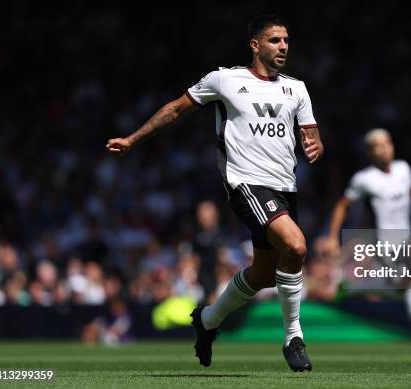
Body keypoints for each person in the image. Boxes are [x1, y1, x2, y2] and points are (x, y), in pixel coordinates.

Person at [106, 14, 323, 371]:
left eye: (286, 40)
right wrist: (132, 139)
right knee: (297, 246)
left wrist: (316, 147)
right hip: (246, 184)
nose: (283, 46)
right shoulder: (225, 79)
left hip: (286, 187)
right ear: (255, 45)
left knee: (264, 274)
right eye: (274, 40)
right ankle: (293, 338)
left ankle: (206, 320)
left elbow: (313, 137)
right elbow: (175, 109)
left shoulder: (296, 88)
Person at [324, 128, 411, 357]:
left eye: (387, 143)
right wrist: (332, 237)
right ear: (370, 152)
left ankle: (352, 288)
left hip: (405, 238)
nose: (385, 148)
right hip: (384, 242)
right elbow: (342, 205)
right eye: (378, 145)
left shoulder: (403, 169)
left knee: (403, 289)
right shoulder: (364, 179)